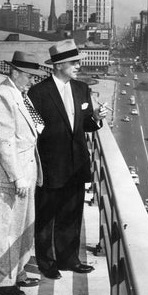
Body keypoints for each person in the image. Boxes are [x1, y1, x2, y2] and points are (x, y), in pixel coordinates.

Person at [28, 39, 108, 280]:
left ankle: (69, 259)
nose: (78, 67)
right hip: (51, 165)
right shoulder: (38, 92)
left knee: (72, 214)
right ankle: (46, 262)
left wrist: (97, 117)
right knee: (46, 217)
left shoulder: (82, 89)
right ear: (59, 65)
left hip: (77, 164)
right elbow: (35, 128)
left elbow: (85, 124)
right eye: (74, 63)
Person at [0, 51, 48, 295]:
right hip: (9, 176)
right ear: (16, 73)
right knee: (6, 229)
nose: (33, 81)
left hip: (26, 170)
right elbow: (3, 141)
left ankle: (17, 272)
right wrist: (17, 177)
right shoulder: (2, 96)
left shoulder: (20, 95)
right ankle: (2, 281)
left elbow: (36, 128)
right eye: (30, 77)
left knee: (23, 226)